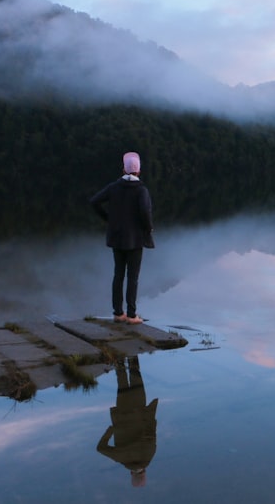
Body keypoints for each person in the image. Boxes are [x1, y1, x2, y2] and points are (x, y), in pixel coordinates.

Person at [90, 151, 155, 324]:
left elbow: (94, 202)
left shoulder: (114, 187)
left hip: (117, 238)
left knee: (118, 275)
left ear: (123, 170)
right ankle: (132, 315)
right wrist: (148, 228)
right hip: (135, 240)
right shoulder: (141, 190)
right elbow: (145, 212)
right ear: (139, 171)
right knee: (132, 277)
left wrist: (108, 219)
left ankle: (118, 313)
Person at [96, 356, 158, 487]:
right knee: (122, 378)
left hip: (139, 410)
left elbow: (151, 430)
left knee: (135, 374)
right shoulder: (121, 458)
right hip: (122, 413)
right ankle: (118, 355)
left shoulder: (149, 454)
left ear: (144, 472)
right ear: (131, 474)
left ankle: (132, 351)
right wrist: (112, 428)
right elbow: (100, 448)